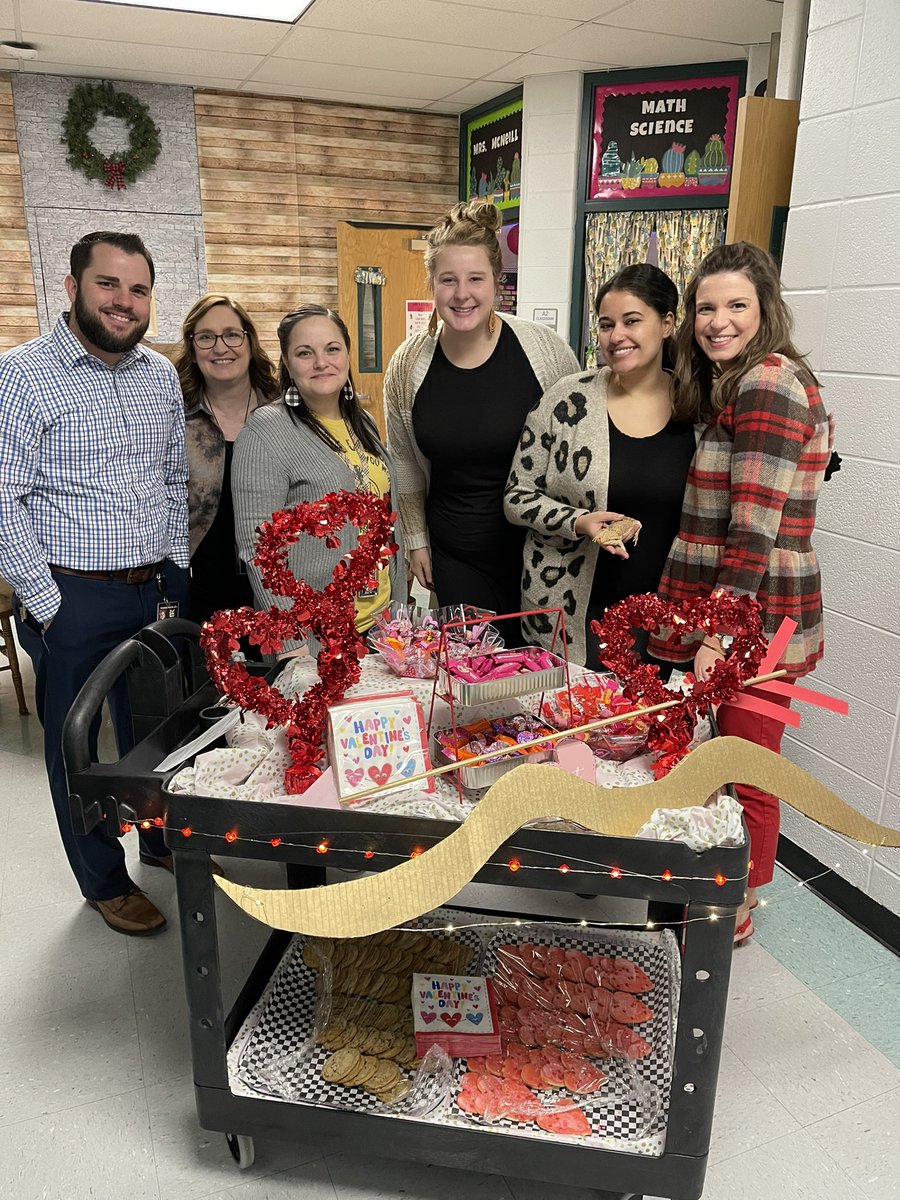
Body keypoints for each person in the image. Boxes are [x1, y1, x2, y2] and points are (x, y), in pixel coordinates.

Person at [0, 231, 190, 936]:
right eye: (109, 285)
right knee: (78, 746)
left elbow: (172, 479)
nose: (124, 301)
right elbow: (2, 497)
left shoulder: (159, 376)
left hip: (151, 588)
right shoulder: (22, 373)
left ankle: (161, 841)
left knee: (157, 731)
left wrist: (175, 568)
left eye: (138, 290)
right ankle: (103, 880)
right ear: (73, 284)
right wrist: (49, 606)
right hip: (71, 594)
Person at [648, 242, 830, 945]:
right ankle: (723, 890)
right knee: (723, 758)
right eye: (706, 307)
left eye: (737, 306)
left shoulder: (770, 382)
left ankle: (739, 907)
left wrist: (719, 637)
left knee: (746, 766)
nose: (718, 321)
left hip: (755, 621)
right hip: (746, 614)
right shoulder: (741, 383)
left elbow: (754, 528)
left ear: (766, 311)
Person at [384, 200, 579, 635]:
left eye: (476, 278)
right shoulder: (407, 366)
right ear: (432, 284)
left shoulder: (543, 352)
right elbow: (405, 464)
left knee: (537, 673)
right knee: (474, 672)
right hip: (455, 550)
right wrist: (416, 539)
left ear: (496, 282)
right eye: (448, 280)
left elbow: (579, 438)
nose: (462, 294)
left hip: (538, 547)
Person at [504, 264, 697, 667]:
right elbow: (516, 497)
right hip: (576, 615)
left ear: (667, 323)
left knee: (656, 726)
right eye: (606, 324)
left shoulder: (698, 408)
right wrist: (578, 521)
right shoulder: (567, 400)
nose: (616, 336)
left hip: (667, 621)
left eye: (632, 321)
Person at [232, 304, 405, 648]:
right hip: (316, 637)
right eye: (304, 353)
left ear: (347, 353)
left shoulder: (363, 422)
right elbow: (257, 550)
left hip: (380, 625)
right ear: (286, 362)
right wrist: (294, 647)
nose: (321, 362)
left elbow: (386, 516)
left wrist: (396, 612)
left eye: (332, 349)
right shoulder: (265, 431)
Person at [173, 294, 279, 627]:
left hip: (277, 585)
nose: (221, 348)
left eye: (232, 334)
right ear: (192, 347)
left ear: (249, 340)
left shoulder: (283, 413)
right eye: (206, 337)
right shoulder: (175, 415)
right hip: (201, 586)